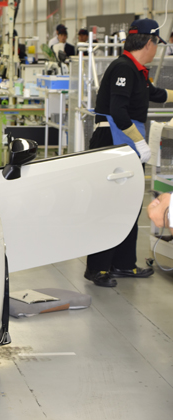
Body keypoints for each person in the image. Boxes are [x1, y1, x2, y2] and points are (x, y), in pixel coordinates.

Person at [84, 18, 173, 287]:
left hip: (126, 141)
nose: (156, 49)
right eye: (156, 43)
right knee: (109, 204)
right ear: (149, 43)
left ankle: (123, 263)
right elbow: (119, 113)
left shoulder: (137, 71)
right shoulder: (123, 67)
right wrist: (141, 143)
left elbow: (157, 94)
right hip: (113, 141)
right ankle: (98, 268)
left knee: (129, 203)